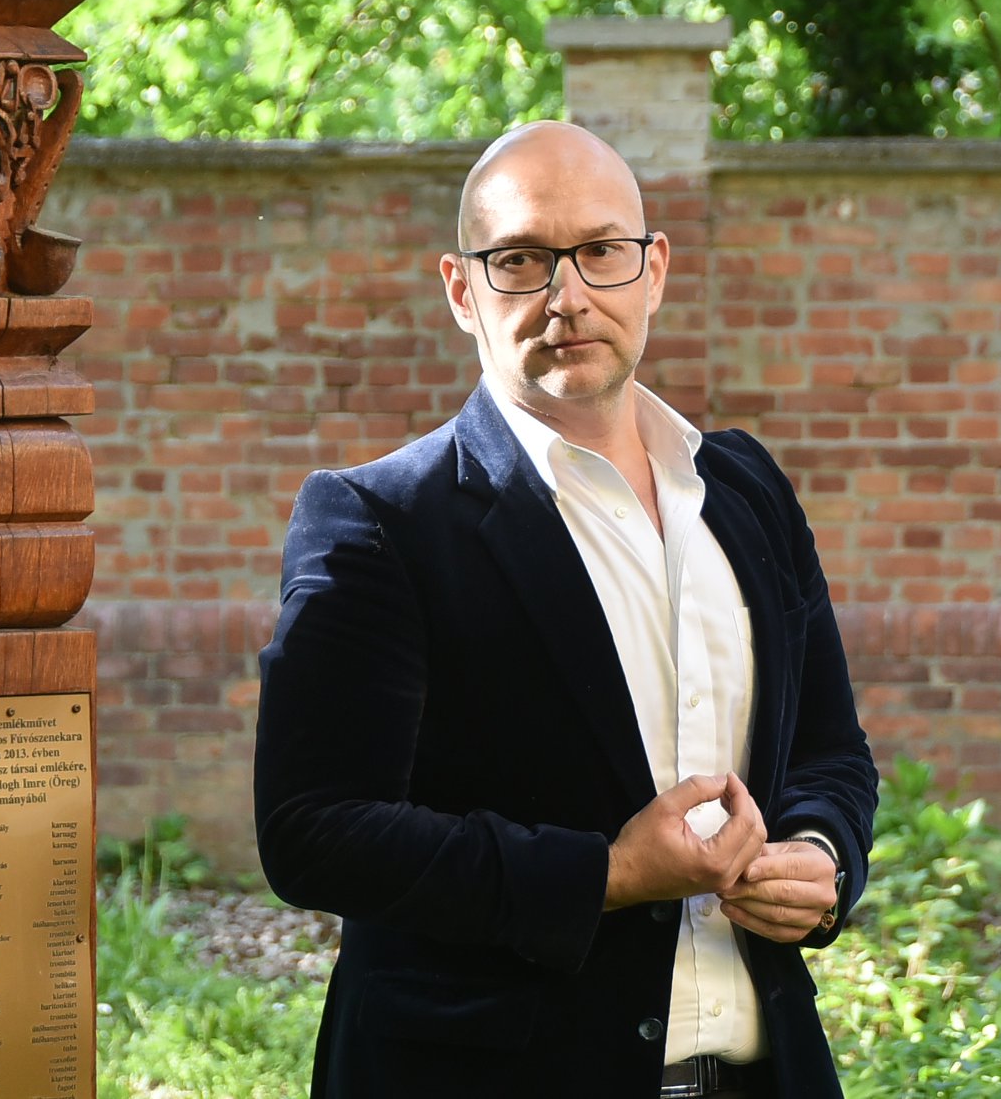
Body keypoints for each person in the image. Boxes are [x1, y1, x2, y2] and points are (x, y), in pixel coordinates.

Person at [254, 121, 878, 1099]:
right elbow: (313, 830)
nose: (568, 295)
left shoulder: (745, 490)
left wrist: (820, 853)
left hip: (763, 1071)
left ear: (653, 270)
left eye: (600, 251)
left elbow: (829, 752)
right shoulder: (382, 520)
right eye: (520, 260)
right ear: (462, 289)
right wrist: (608, 873)